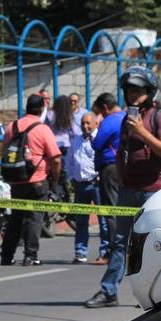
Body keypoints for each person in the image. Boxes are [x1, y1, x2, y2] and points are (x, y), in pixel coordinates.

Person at [85, 66, 161, 308]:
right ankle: (108, 291)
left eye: (138, 90)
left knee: (152, 245)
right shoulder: (128, 118)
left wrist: (142, 132)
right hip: (129, 189)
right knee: (119, 241)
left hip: (153, 190)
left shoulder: (160, 117)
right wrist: (121, 176)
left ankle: (155, 294)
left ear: (149, 91)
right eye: (129, 90)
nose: (133, 94)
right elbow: (121, 151)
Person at [0, 93, 62, 266]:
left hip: (16, 179)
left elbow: (4, 150)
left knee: (15, 219)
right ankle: (30, 255)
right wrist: (54, 179)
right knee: (35, 218)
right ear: (42, 108)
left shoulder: (13, 126)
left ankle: (7, 255)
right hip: (37, 180)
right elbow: (56, 158)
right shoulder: (43, 129)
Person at [64, 111, 108, 264]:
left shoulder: (101, 139)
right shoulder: (76, 140)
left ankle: (105, 251)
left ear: (96, 124)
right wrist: (71, 178)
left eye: (88, 123)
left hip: (97, 184)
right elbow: (69, 161)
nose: (85, 126)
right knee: (81, 221)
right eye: (83, 123)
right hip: (80, 185)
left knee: (103, 220)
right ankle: (80, 252)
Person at [91, 92, 125, 259]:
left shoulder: (110, 120)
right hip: (126, 168)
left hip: (110, 168)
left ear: (105, 108)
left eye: (100, 111)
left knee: (110, 210)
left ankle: (114, 250)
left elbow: (97, 143)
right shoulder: (126, 116)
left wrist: (97, 126)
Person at [50, 93, 77, 157]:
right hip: (66, 144)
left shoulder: (50, 114)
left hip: (53, 143)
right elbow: (74, 131)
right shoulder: (69, 115)